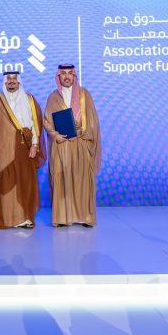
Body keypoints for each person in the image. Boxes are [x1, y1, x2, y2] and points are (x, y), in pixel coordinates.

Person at [0, 71, 46, 229]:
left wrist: (35, 145)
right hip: (1, 150)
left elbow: (36, 125)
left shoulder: (30, 100)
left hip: (24, 148)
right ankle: (3, 219)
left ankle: (24, 219)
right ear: (4, 81)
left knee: (24, 182)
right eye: (8, 79)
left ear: (19, 82)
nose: (11, 81)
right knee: (3, 183)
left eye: (14, 79)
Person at [43, 64, 101, 227]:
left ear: (74, 76)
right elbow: (46, 121)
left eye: (70, 73)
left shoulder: (84, 95)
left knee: (82, 180)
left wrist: (82, 132)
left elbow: (93, 120)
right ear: (58, 77)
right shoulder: (53, 97)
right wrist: (55, 135)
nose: (67, 76)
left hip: (81, 144)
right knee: (62, 180)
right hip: (61, 146)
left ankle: (85, 217)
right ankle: (62, 218)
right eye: (63, 74)